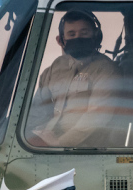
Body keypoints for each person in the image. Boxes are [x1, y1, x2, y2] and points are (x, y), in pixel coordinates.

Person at [26, 10, 120, 148]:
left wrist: (58, 144)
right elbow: (37, 110)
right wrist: (28, 137)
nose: (78, 38)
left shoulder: (106, 70)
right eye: (72, 34)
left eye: (84, 33)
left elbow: (96, 116)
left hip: (85, 149)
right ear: (61, 40)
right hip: (46, 142)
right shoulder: (56, 67)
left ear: (96, 36)